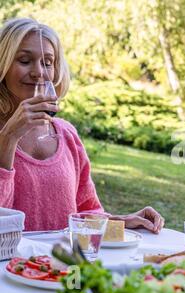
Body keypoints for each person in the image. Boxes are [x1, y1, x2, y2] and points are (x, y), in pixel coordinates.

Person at [0, 18, 164, 233]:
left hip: (60, 264)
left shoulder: (66, 134)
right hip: (10, 265)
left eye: (48, 62)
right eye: (24, 60)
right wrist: (9, 137)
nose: (39, 72)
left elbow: (86, 210)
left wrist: (118, 221)